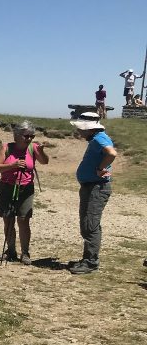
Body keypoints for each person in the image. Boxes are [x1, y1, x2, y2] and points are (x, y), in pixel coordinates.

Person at [0, 121, 48, 265]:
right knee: (8, 219)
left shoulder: (34, 148)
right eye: (26, 136)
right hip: (7, 187)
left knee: (23, 220)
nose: (29, 138)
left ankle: (25, 253)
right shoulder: (6, 147)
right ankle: (10, 251)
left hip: (26, 189)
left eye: (32, 135)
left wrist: (41, 151)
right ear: (17, 135)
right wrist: (12, 165)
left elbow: (44, 162)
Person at [70, 112, 117, 275]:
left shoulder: (99, 138)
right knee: (87, 223)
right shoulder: (97, 138)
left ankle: (91, 262)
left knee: (90, 224)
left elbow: (111, 153)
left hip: (97, 187)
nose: (79, 131)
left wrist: (100, 169)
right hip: (92, 186)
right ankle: (88, 258)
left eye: (80, 128)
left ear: (89, 129)